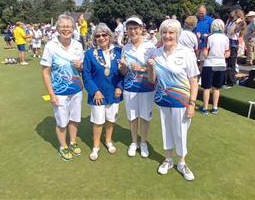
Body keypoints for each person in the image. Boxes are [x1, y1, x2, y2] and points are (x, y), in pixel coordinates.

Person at [147, 19, 199, 181]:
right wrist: (149, 67)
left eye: (171, 32)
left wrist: (192, 104)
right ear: (160, 34)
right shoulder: (156, 53)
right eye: (164, 32)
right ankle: (168, 160)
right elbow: (151, 80)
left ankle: (182, 163)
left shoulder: (186, 53)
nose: (167, 35)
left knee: (180, 132)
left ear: (177, 34)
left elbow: (194, 81)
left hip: (181, 102)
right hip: (163, 100)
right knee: (166, 130)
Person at [40, 14, 84, 162]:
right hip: (59, 92)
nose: (66, 29)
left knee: (75, 119)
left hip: (76, 90)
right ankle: (63, 146)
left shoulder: (78, 45)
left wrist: (81, 66)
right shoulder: (50, 46)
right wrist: (51, 94)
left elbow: (83, 68)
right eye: (63, 26)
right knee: (61, 121)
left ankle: (72, 142)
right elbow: (45, 72)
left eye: (69, 26)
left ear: (73, 28)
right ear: (58, 28)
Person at [82, 23, 124, 161]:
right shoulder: (89, 54)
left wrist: (119, 87)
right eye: (98, 35)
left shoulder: (118, 52)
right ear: (94, 38)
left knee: (111, 119)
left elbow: (123, 74)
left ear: (109, 36)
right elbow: (86, 75)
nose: (101, 38)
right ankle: (96, 146)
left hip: (113, 93)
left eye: (104, 35)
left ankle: (108, 141)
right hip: (98, 94)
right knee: (98, 121)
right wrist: (95, 91)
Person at [118, 15, 155, 158]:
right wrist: (122, 67)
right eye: (130, 29)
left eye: (135, 28)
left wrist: (141, 68)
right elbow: (124, 72)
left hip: (146, 88)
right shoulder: (125, 48)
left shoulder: (150, 47)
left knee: (145, 117)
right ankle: (134, 142)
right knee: (132, 117)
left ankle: (143, 142)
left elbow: (155, 68)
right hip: (129, 88)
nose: (132, 31)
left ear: (141, 29)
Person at [200, 19, 230, 115]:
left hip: (209, 63)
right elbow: (227, 54)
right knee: (216, 88)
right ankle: (215, 107)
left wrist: (210, 56)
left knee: (207, 88)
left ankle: (205, 108)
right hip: (221, 64)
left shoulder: (209, 37)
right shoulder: (226, 38)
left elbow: (205, 53)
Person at [225, 9, 247, 86]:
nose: (231, 13)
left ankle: (230, 82)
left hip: (233, 44)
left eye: (233, 11)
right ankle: (225, 79)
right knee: (226, 62)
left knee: (231, 63)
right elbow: (225, 31)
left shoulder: (240, 23)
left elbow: (232, 31)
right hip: (227, 43)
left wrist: (236, 23)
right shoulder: (230, 21)